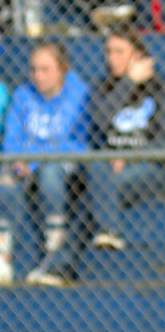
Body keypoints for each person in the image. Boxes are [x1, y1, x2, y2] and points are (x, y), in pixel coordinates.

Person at [0, 40, 89, 286]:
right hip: (25, 161)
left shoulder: (78, 94)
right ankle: (3, 256)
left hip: (63, 163)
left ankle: (53, 253)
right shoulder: (22, 94)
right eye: (33, 69)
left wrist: (35, 162)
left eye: (45, 69)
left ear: (62, 70)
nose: (37, 76)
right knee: (5, 178)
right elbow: (12, 137)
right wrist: (16, 159)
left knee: (50, 174)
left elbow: (76, 142)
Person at [87, 25, 165, 252]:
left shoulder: (160, 89)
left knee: (99, 189)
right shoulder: (103, 88)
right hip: (109, 166)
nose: (111, 59)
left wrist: (130, 158)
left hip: (150, 167)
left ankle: (105, 233)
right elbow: (100, 120)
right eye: (108, 52)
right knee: (97, 167)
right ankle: (108, 233)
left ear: (137, 56)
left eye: (119, 52)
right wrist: (127, 83)